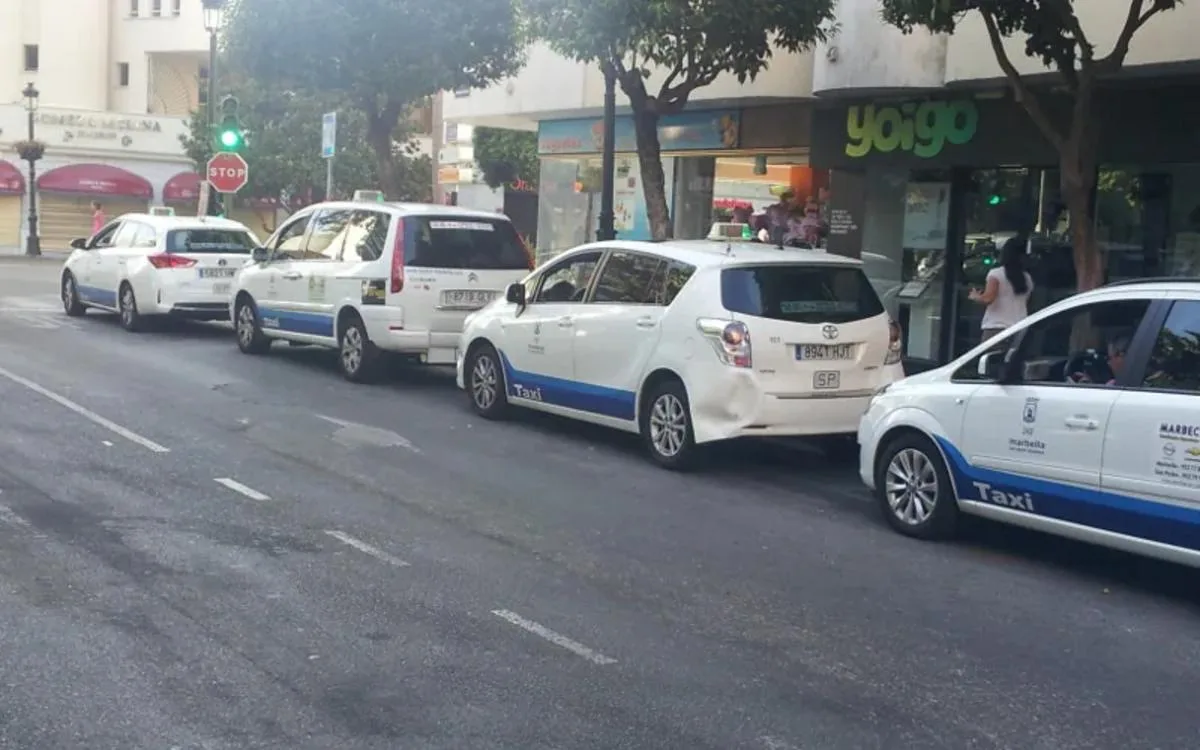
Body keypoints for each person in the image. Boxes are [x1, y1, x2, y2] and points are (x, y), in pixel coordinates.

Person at [968, 236, 1033, 341]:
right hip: (1019, 328)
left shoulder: (996, 274)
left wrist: (975, 296)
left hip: (996, 328)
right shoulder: (1027, 278)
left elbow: (988, 299)